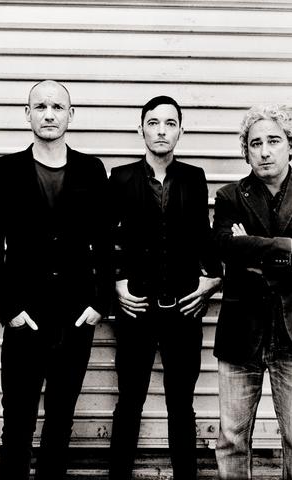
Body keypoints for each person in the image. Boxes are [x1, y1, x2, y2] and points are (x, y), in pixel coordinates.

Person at [0, 80, 112, 480]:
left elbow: (105, 243)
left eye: (57, 107)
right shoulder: (6, 169)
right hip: (25, 318)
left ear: (71, 115)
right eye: (40, 106)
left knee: (60, 421)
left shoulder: (92, 170)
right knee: (16, 422)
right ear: (28, 114)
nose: (49, 114)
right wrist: (9, 309)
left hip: (75, 318)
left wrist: (99, 304)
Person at [213, 104, 292, 479]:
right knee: (231, 441)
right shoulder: (230, 196)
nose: (264, 151)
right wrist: (289, 246)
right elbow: (226, 249)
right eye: (255, 143)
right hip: (241, 333)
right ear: (246, 151)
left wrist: (257, 252)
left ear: (290, 144)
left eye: (273, 141)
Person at [108, 95, 223, 480]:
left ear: (180, 131)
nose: (161, 131)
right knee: (129, 401)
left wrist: (213, 278)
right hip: (136, 307)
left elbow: (204, 235)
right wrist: (116, 283)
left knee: (181, 403)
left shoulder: (193, 177)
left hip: (183, 308)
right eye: (153, 123)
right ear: (141, 129)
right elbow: (106, 239)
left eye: (169, 123)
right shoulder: (121, 177)